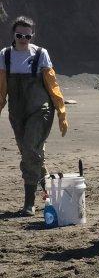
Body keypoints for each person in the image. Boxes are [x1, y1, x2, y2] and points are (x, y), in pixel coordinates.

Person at [0, 17, 68, 216]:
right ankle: (50, 192)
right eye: (19, 35)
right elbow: (1, 89)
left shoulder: (40, 54)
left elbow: (52, 84)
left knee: (30, 148)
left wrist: (61, 111)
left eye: (27, 36)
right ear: (13, 34)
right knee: (31, 154)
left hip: (41, 110)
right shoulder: (4, 56)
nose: (23, 39)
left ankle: (29, 203)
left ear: (32, 36)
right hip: (17, 113)